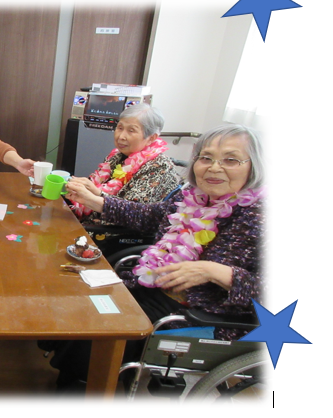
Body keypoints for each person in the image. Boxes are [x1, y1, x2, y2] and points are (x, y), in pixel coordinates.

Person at [55, 124, 265, 391]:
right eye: (206, 157)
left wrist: (216, 272)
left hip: (197, 313)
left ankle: (85, 386)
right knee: (83, 303)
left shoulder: (263, 217)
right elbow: (149, 216)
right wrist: (97, 200)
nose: (214, 167)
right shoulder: (192, 197)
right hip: (152, 286)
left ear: (254, 166)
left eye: (231, 160)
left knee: (101, 328)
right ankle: (78, 378)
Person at [68, 103, 181, 222]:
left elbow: (134, 214)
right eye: (120, 128)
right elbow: (97, 184)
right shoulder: (117, 156)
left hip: (111, 228)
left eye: (131, 131)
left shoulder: (159, 167)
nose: (121, 136)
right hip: (92, 219)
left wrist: (96, 193)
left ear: (151, 138)